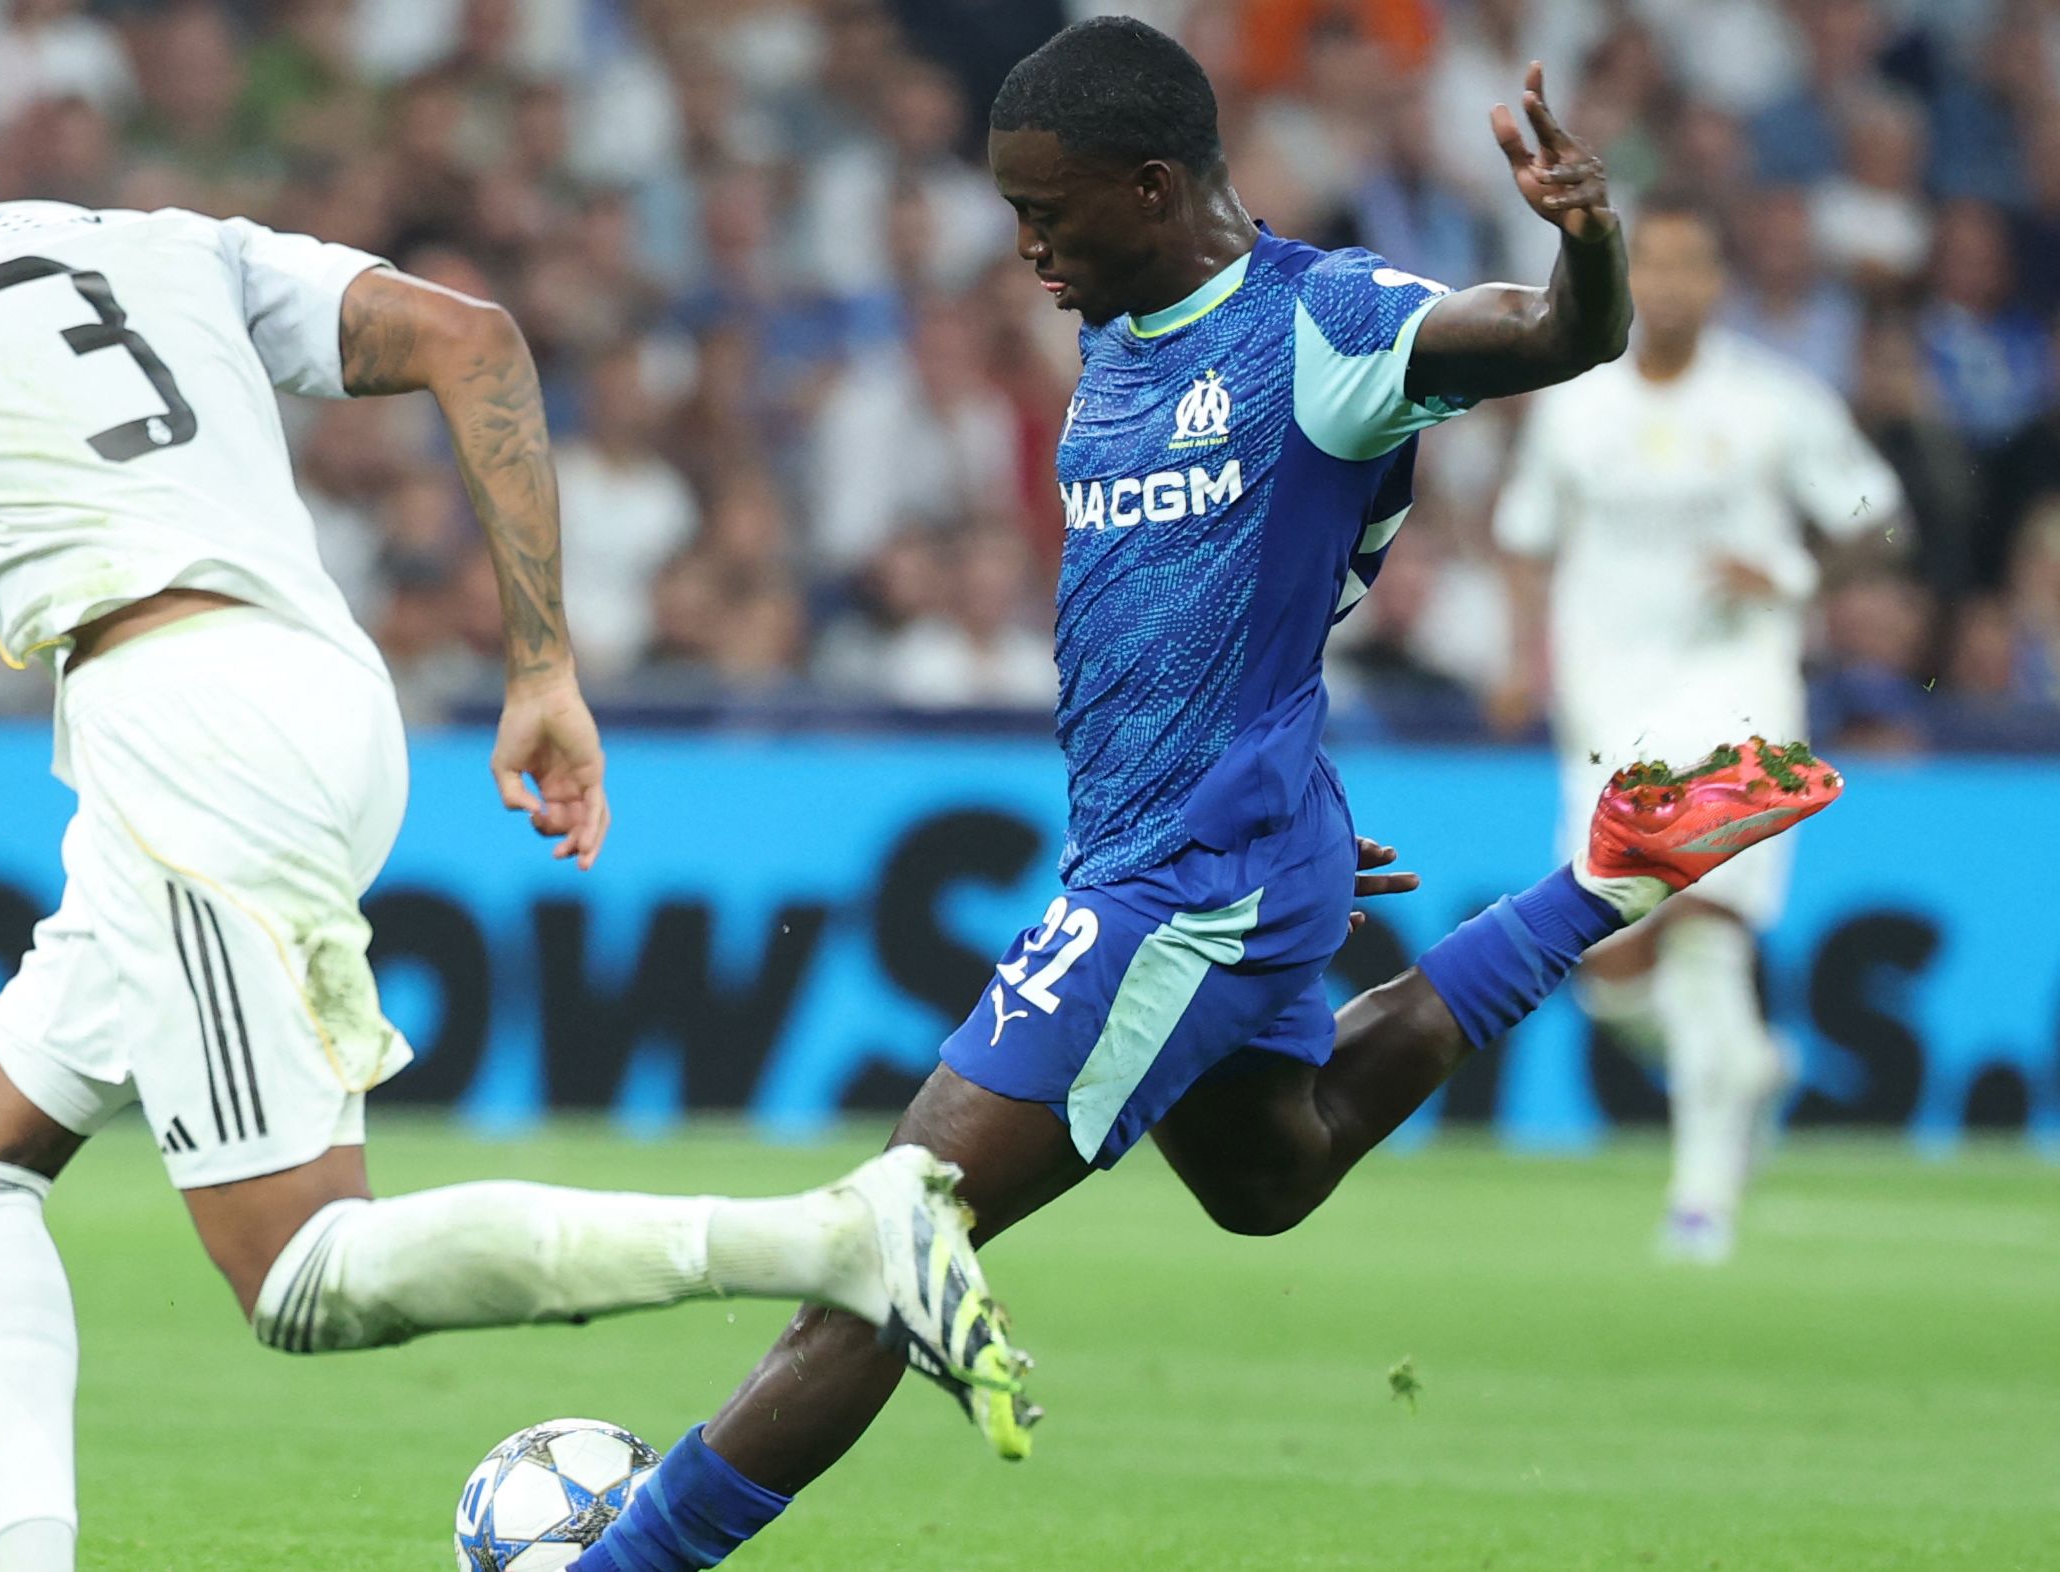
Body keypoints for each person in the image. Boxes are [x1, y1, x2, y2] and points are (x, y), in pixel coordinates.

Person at [0, 18, 1006, 1572]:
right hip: (318, 686)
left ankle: (834, 1235)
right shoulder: (157, 241)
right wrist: (542, 671)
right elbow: (477, 339)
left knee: (299, 1277)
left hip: (184, 733)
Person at [569, 21, 1839, 1572]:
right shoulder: (1116, 323)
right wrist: (1277, 802)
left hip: (1188, 876)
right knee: (1269, 1173)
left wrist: (1590, 250)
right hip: (1218, 835)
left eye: (1048, 211)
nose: (1024, 246)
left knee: (888, 1235)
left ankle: (624, 1561)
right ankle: (1598, 885)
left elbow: (1550, 337)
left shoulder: (1323, 324)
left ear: (1155, 186)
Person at [1495, 200, 1900, 1263]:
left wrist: (1797, 577)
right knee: (1610, 967)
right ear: (1628, 280)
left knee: (1707, 920)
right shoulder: (1572, 405)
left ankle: (1699, 1201)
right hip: (1604, 704)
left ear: (1719, 282)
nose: (1671, 284)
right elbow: (1527, 538)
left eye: (1691, 264)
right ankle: (1739, 1067)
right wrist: (1514, 657)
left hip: (1737, 682)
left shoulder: (1773, 402)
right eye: (1654, 264)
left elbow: (1878, 511)